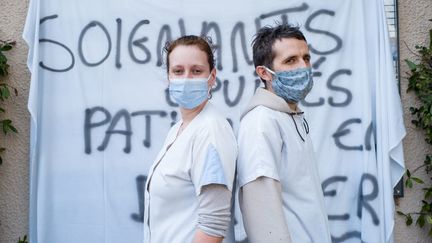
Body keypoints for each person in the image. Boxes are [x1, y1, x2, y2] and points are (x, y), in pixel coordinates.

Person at [236, 24, 332, 243]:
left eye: (306, 58)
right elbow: (262, 213)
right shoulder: (261, 122)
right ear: (263, 72)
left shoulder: (290, 114)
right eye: (291, 60)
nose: (304, 67)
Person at [143, 35, 237, 243]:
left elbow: (213, 223)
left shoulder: (210, 130)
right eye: (178, 71)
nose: (186, 78)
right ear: (168, 77)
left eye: (196, 71)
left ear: (212, 77)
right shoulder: (179, 129)